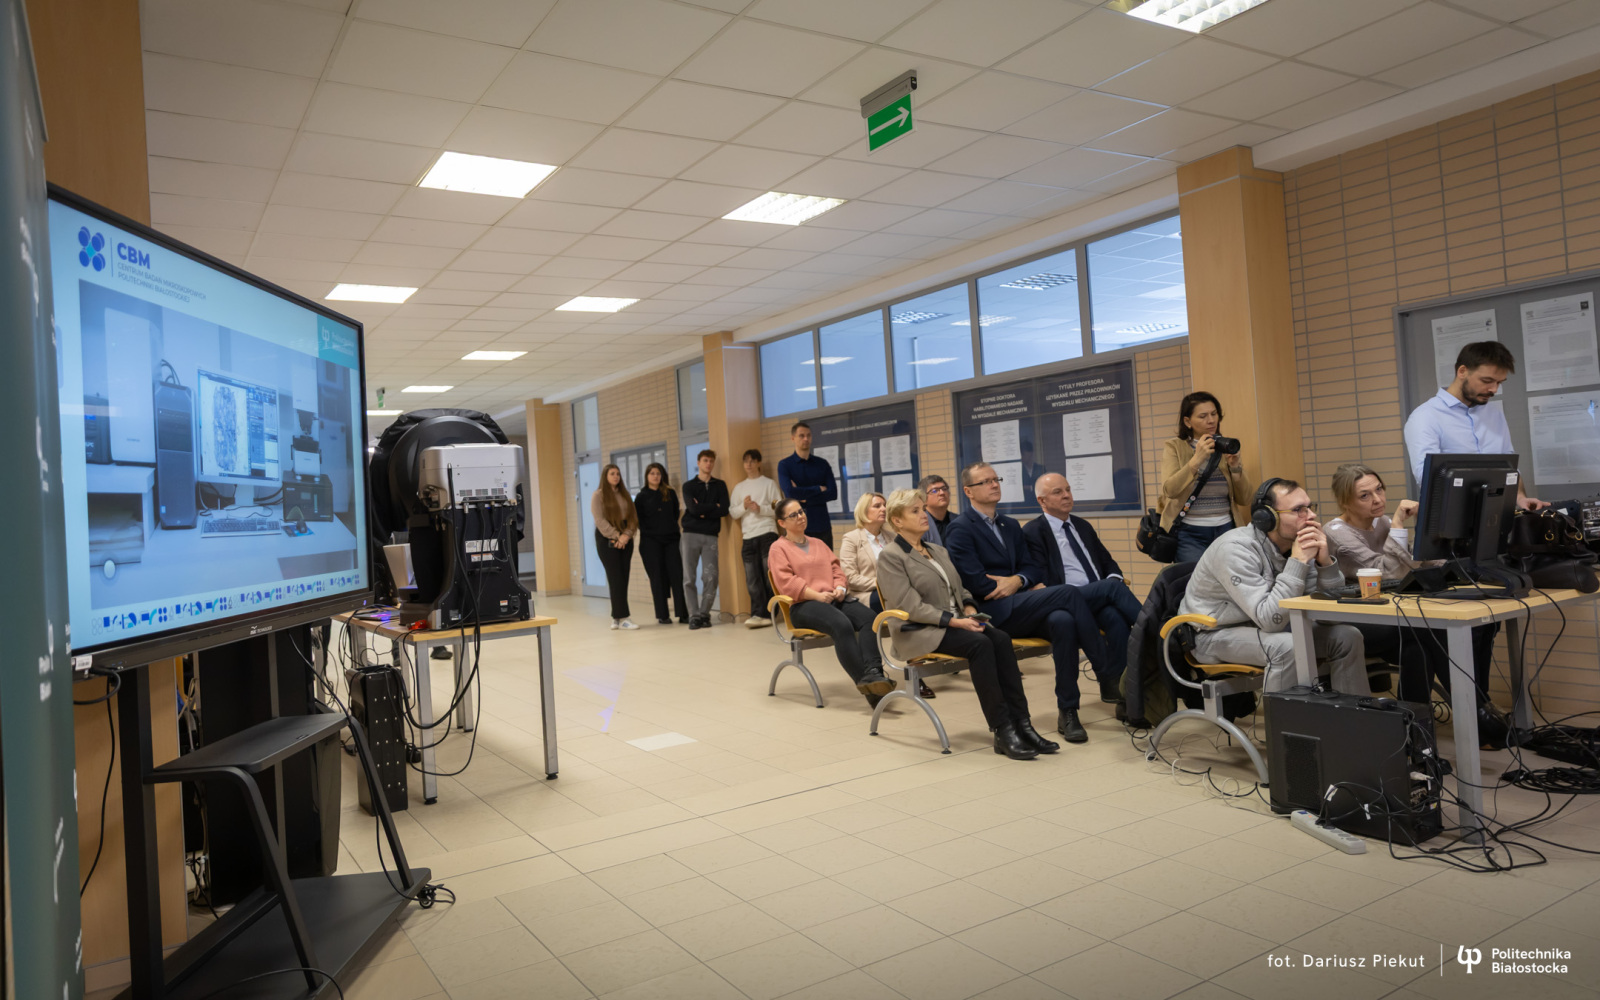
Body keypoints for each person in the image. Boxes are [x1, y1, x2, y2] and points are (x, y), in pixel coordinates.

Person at [1324, 463, 1506, 743]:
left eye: (1379, 489)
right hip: (1356, 622)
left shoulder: (1380, 523)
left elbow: (1412, 564)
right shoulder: (1337, 532)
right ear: (1344, 502)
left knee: (1468, 630)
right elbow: (1387, 573)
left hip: (1389, 614)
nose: (1377, 499)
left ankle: (1417, 733)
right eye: (1364, 495)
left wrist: (1434, 537)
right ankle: (1478, 711)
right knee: (1429, 631)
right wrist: (1398, 525)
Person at [877, 489, 1057, 759]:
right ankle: (1003, 729)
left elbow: (960, 590)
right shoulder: (892, 556)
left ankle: (1023, 724)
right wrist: (955, 621)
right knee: (980, 644)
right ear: (897, 521)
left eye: (923, 509)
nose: (924, 514)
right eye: (915, 511)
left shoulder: (937, 550)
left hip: (957, 622)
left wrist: (970, 610)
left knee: (1000, 639)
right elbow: (908, 606)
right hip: (921, 630)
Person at [944, 462, 1109, 744]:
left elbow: (1032, 568)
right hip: (992, 612)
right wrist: (1016, 583)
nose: (994, 484)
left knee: (1063, 621)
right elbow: (976, 582)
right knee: (1067, 593)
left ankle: (1068, 711)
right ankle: (1106, 671)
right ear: (968, 491)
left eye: (996, 479)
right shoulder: (959, 529)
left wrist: (1016, 580)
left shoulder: (1009, 524)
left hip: (1020, 603)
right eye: (985, 481)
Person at [1179, 478, 1368, 694]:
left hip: (1261, 627)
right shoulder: (1235, 549)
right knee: (1288, 647)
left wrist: (1325, 564)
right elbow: (1272, 621)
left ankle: (1352, 713)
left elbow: (1330, 617)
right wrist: (1297, 563)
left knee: (1347, 636)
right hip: (1212, 634)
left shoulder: (1298, 546)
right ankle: (1283, 717)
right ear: (1267, 518)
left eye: (1310, 507)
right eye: (1298, 510)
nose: (1311, 516)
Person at [1023, 473, 1143, 703]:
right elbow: (1040, 576)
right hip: (1064, 599)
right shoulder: (1033, 532)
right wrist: (1110, 585)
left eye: (1068, 489)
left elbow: (1107, 562)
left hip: (1095, 597)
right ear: (1042, 500)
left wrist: (1113, 577)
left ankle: (1119, 691)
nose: (1066, 495)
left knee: (1115, 618)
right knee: (1112, 589)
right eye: (1058, 492)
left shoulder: (1081, 525)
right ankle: (1158, 632)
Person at [768, 497, 894, 708]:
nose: (800, 517)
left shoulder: (818, 543)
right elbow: (786, 582)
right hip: (803, 606)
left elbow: (837, 570)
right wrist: (816, 595)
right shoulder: (778, 548)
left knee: (869, 619)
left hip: (833, 599)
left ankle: (875, 673)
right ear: (782, 523)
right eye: (793, 515)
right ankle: (868, 687)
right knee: (841, 624)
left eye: (801, 511)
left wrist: (840, 588)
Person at [1403, 340, 1546, 510]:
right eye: (1487, 380)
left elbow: (1509, 466)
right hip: (1452, 516)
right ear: (1462, 371)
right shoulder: (1425, 417)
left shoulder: (1494, 414)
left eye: (1499, 382)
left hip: (1495, 514)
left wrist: (1520, 498)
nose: (1494, 389)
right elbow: (1427, 478)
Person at [1159, 391, 1253, 563]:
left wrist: (1235, 467)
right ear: (1187, 421)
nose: (1211, 420)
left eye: (1214, 414)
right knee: (1195, 578)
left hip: (1226, 528)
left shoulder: (1224, 446)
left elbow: (1245, 498)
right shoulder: (1175, 447)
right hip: (1189, 532)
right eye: (1203, 416)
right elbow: (1170, 490)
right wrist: (1196, 460)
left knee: (1229, 577)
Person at [730, 448, 782, 629]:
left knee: (769, 576)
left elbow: (779, 508)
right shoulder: (739, 488)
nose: (749, 464)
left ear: (759, 463)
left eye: (752, 461)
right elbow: (733, 512)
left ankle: (770, 613)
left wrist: (761, 509)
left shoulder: (769, 484)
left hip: (767, 533)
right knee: (752, 578)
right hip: (748, 536)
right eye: (746, 461)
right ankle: (757, 614)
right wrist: (744, 507)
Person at [680, 449, 729, 630]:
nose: (708, 464)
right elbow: (693, 509)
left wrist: (703, 509)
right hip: (690, 535)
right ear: (699, 463)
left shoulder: (720, 485)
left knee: (711, 576)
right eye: (705, 460)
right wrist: (713, 507)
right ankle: (693, 615)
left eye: (711, 461)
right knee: (689, 577)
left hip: (711, 536)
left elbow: (724, 509)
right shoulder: (688, 486)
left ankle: (704, 614)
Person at [635, 462, 688, 625]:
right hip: (650, 542)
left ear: (662, 476)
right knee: (657, 578)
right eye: (652, 473)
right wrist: (654, 531)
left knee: (677, 575)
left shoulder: (670, 493)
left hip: (671, 539)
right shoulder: (641, 496)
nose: (655, 476)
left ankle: (682, 613)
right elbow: (639, 520)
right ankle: (663, 614)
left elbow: (675, 513)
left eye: (658, 473)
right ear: (647, 476)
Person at [590, 464, 639, 630]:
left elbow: (633, 517)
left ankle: (617, 618)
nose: (616, 476)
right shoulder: (598, 495)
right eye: (612, 473)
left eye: (618, 473)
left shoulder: (625, 494)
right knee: (615, 577)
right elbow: (599, 520)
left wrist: (626, 535)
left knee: (623, 577)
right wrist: (617, 536)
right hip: (607, 539)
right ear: (605, 476)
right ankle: (624, 617)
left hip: (626, 537)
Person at [778, 421, 839, 548]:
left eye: (808, 435)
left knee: (827, 561)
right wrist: (818, 489)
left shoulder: (822, 464)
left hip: (822, 526)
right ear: (793, 438)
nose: (806, 439)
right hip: (797, 528)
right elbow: (790, 493)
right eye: (801, 435)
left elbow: (833, 493)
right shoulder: (785, 465)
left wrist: (804, 498)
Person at [838, 491, 891, 609]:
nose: (883, 509)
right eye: (877, 506)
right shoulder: (851, 539)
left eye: (884, 505)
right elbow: (850, 578)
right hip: (866, 594)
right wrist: (881, 583)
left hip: (894, 589)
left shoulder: (892, 537)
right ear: (864, 511)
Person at [918, 474, 955, 545]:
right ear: (924, 498)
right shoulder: (919, 524)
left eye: (944, 489)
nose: (942, 493)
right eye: (934, 491)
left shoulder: (958, 520)